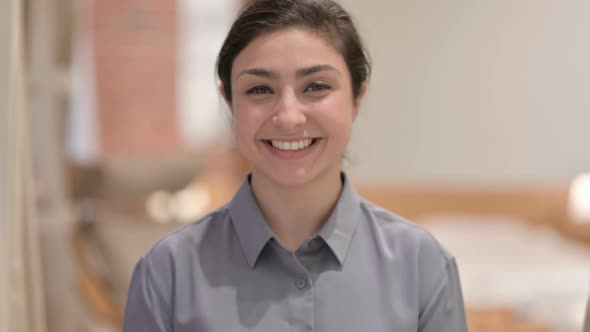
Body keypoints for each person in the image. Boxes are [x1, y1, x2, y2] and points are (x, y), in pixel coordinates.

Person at [122, 0, 468, 331]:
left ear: (357, 98)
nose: (288, 117)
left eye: (316, 86)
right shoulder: (167, 273)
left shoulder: (424, 267)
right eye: (259, 89)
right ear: (229, 101)